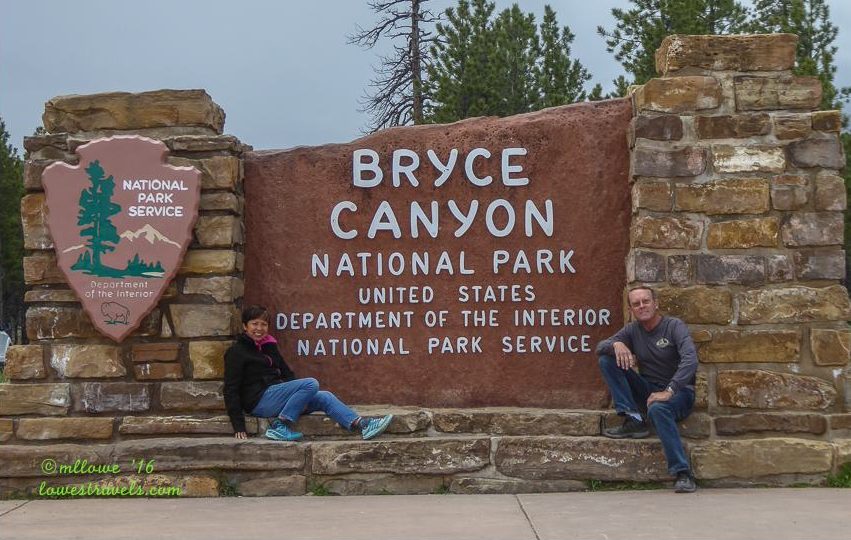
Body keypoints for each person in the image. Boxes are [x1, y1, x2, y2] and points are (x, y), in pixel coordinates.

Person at [224, 305, 393, 441]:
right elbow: (230, 389)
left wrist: (299, 397)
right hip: (258, 402)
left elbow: (286, 373)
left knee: (324, 396)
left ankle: (363, 424)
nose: (259, 328)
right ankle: (280, 426)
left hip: (277, 397)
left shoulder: (269, 346)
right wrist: (238, 425)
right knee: (311, 383)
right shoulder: (237, 352)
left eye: (264, 324)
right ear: (245, 326)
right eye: (255, 323)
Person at [595, 286, 698, 493]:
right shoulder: (633, 330)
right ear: (631, 309)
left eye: (646, 301)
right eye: (636, 304)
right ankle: (633, 419)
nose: (642, 306)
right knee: (607, 359)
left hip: (679, 393)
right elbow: (600, 347)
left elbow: (690, 360)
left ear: (656, 303)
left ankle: (682, 473)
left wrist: (669, 390)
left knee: (658, 409)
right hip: (649, 389)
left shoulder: (673, 326)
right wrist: (615, 345)